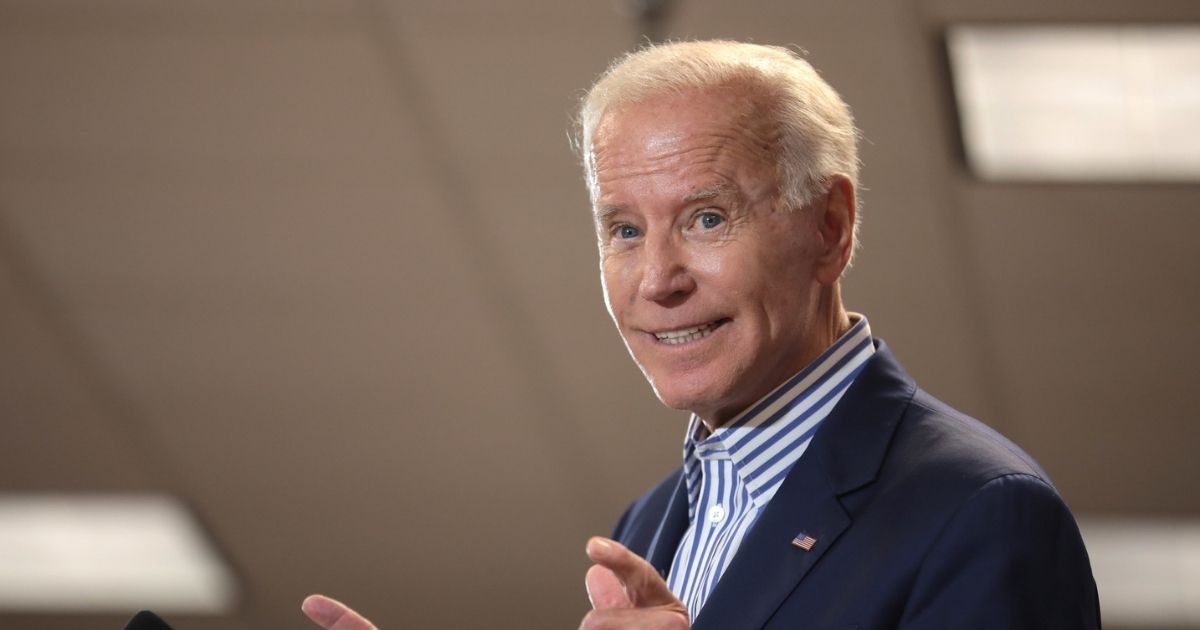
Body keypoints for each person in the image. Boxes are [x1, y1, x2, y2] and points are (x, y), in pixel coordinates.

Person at [302, 40, 1101, 630]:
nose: (657, 279)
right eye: (622, 230)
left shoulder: (980, 512)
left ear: (830, 228)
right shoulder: (642, 526)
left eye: (707, 218)